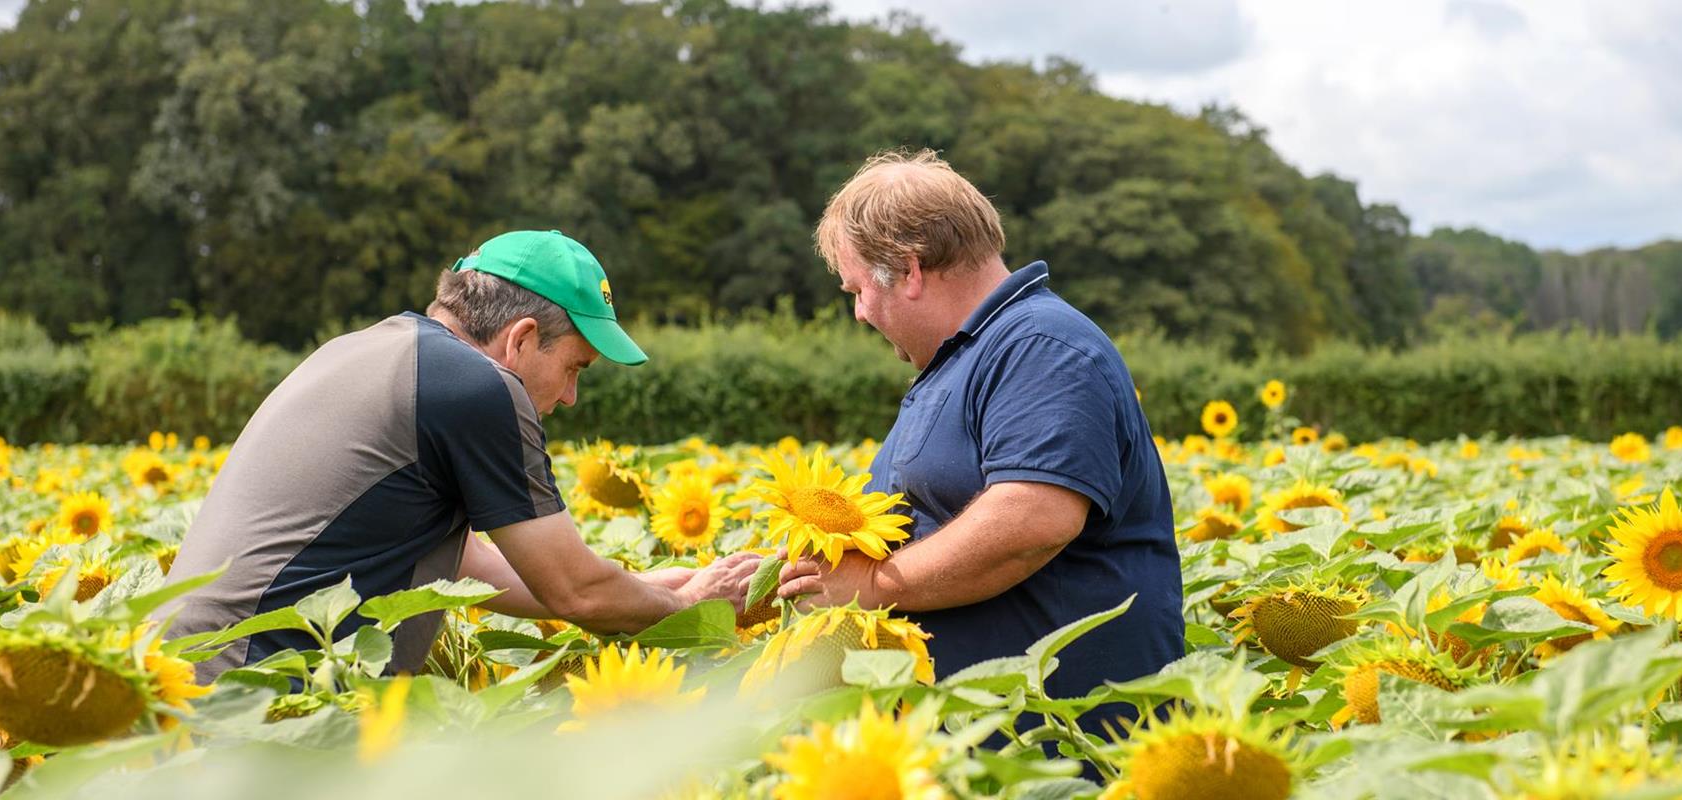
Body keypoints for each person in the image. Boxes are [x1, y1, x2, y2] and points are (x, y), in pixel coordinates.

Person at [159, 230, 759, 682]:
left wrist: (642, 586)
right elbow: (573, 593)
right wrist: (685, 606)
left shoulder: (371, 348)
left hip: (188, 674)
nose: (571, 397)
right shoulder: (477, 386)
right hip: (262, 690)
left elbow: (465, 563)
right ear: (522, 338)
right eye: (574, 367)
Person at [778, 151, 1184, 727]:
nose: (860, 314)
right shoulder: (965, 360)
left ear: (909, 269)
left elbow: (1031, 519)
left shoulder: (1041, 347)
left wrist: (870, 585)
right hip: (983, 744)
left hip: (1064, 742)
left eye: (857, 290)